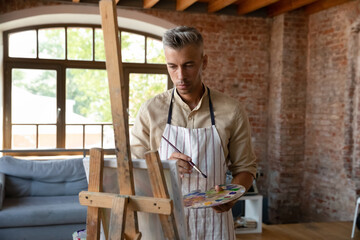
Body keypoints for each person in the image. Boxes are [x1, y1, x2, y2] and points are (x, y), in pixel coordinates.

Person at [130, 26, 257, 239]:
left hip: (214, 223)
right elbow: (133, 170)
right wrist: (164, 166)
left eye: (188, 65)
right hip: (164, 221)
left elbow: (246, 168)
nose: (180, 76)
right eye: (173, 66)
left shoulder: (231, 110)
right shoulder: (151, 111)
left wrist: (231, 196)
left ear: (204, 62)